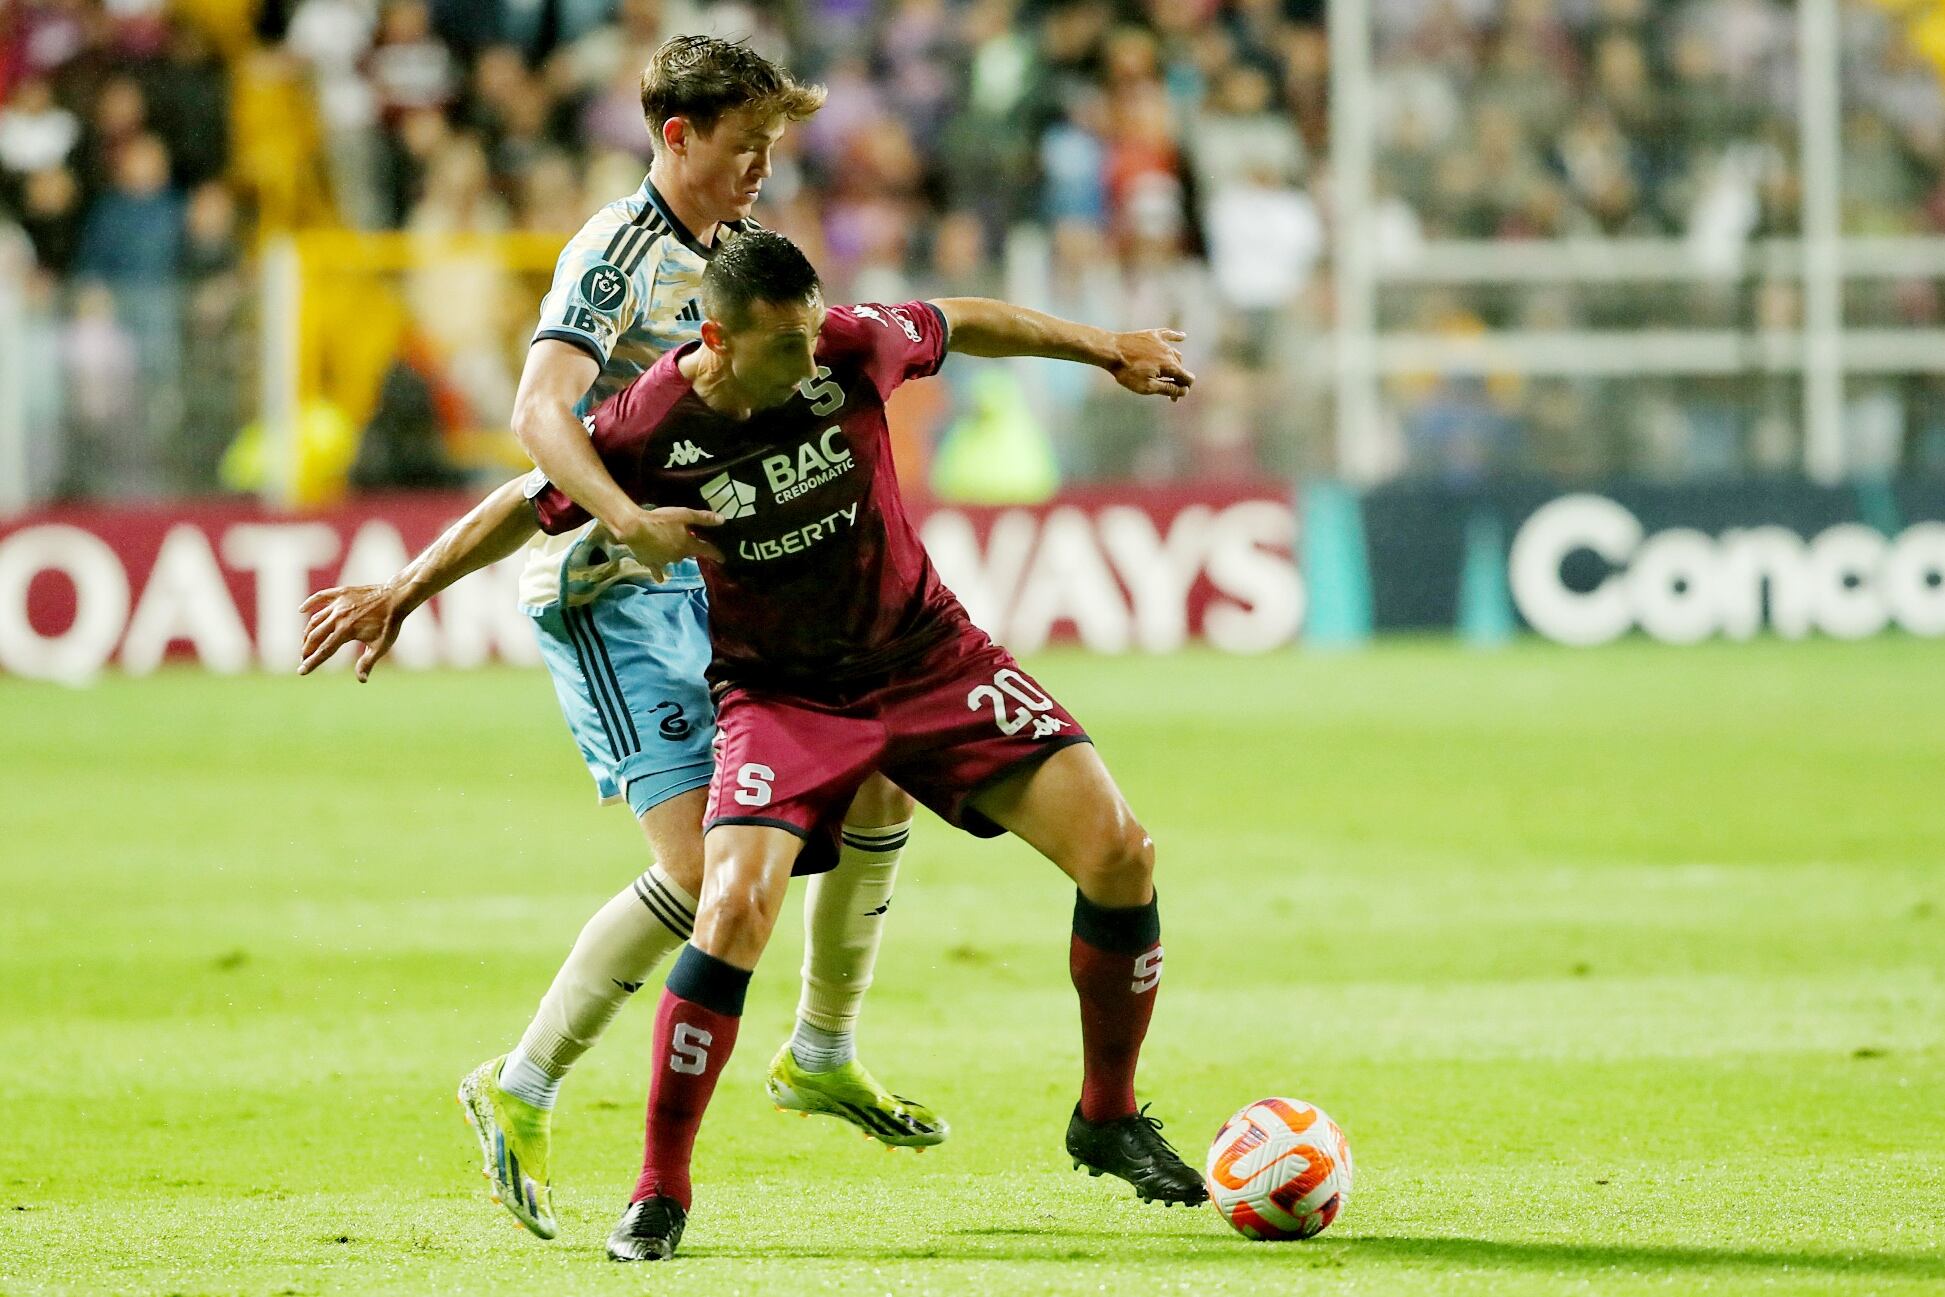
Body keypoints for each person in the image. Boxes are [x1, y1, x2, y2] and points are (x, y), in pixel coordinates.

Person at [296, 36, 944, 1246]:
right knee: (703, 875)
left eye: (773, 146)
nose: (763, 168)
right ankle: (520, 1080)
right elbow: (541, 419)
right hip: (607, 586)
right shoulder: (616, 254)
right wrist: (615, 523)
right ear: (678, 135)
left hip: (710, 575)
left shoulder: (733, 257)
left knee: (880, 777)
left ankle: (822, 1049)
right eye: (746, 145)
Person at [526, 229, 1208, 1262]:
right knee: (731, 904)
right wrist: (408, 588)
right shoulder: (649, 422)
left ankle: (1105, 1116)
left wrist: (1106, 346)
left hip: (929, 657)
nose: (811, 357)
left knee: (1121, 853)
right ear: (717, 338)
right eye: (785, 343)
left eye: (813, 332)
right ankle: (659, 1187)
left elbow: (963, 319)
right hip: (781, 695)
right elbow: (528, 501)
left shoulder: (849, 344)